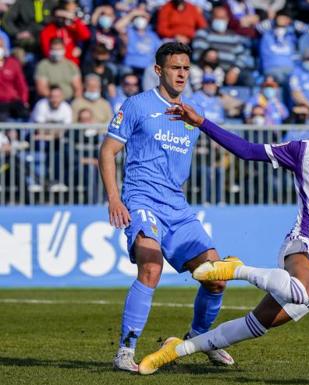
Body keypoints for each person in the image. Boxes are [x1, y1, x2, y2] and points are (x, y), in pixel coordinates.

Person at [136, 100, 309, 375]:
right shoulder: (303, 151)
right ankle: (236, 269)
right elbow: (247, 151)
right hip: (306, 243)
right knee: (299, 292)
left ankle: (178, 349)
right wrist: (202, 123)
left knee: (257, 324)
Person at [98, 42, 235, 372]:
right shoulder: (137, 105)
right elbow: (107, 152)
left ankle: (198, 340)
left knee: (216, 278)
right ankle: (125, 351)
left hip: (177, 205)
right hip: (142, 198)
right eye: (176, 68)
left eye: (186, 68)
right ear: (159, 71)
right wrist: (115, 199)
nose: (182, 74)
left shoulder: (191, 110)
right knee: (151, 266)